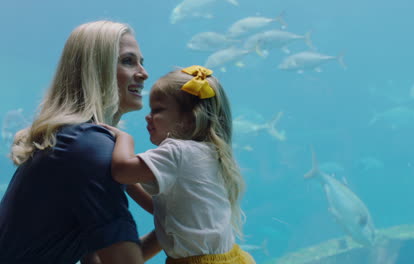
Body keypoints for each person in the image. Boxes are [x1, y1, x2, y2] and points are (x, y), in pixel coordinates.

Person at [0, 20, 161, 263]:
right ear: (97, 70)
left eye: (141, 62)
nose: (144, 73)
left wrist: (179, 225)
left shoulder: (70, 139)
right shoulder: (87, 147)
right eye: (128, 61)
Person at [100, 65, 256, 264]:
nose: (148, 117)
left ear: (189, 119)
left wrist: (122, 137)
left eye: (157, 110)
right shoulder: (208, 152)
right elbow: (164, 209)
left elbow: (122, 171)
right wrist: (129, 183)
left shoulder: (178, 151)